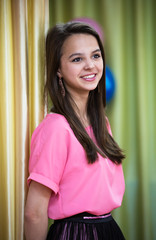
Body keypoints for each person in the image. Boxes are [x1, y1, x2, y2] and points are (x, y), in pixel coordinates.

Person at [24, 21, 126, 240]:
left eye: (96, 56)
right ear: (58, 69)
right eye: (77, 59)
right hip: (76, 234)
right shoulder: (56, 128)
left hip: (108, 229)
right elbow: (34, 213)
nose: (90, 65)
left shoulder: (101, 123)